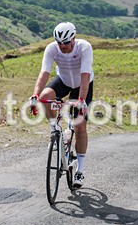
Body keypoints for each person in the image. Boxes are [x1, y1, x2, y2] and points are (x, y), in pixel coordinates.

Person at [29, 22, 94, 188]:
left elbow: (85, 75)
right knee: (45, 96)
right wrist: (35, 95)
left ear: (73, 39)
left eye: (66, 42)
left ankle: (80, 170)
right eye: (59, 43)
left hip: (82, 84)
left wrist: (81, 101)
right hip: (64, 81)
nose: (62, 46)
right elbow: (44, 73)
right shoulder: (52, 49)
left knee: (80, 127)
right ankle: (56, 127)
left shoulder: (84, 47)